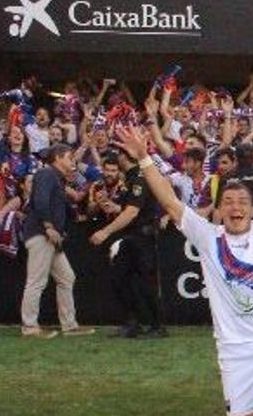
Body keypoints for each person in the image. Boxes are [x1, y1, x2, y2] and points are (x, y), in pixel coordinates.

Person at [111, 112, 253, 416]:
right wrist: (145, 158)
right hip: (237, 350)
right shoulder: (208, 237)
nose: (236, 207)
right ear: (219, 209)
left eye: (243, 202)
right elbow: (169, 201)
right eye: (229, 202)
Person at [88, 143, 165, 339]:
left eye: (118, 155)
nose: (116, 159)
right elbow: (126, 211)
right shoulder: (130, 178)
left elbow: (132, 212)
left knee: (146, 283)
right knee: (121, 278)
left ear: (125, 156)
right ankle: (132, 323)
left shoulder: (139, 177)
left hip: (142, 236)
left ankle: (157, 326)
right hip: (130, 237)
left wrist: (105, 232)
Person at [20, 144, 92, 339]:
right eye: (69, 157)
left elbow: (61, 206)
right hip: (42, 234)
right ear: (58, 158)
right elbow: (40, 201)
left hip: (52, 237)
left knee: (67, 277)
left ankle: (69, 326)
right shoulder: (46, 174)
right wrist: (48, 226)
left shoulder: (57, 179)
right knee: (36, 281)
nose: (72, 161)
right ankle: (29, 327)